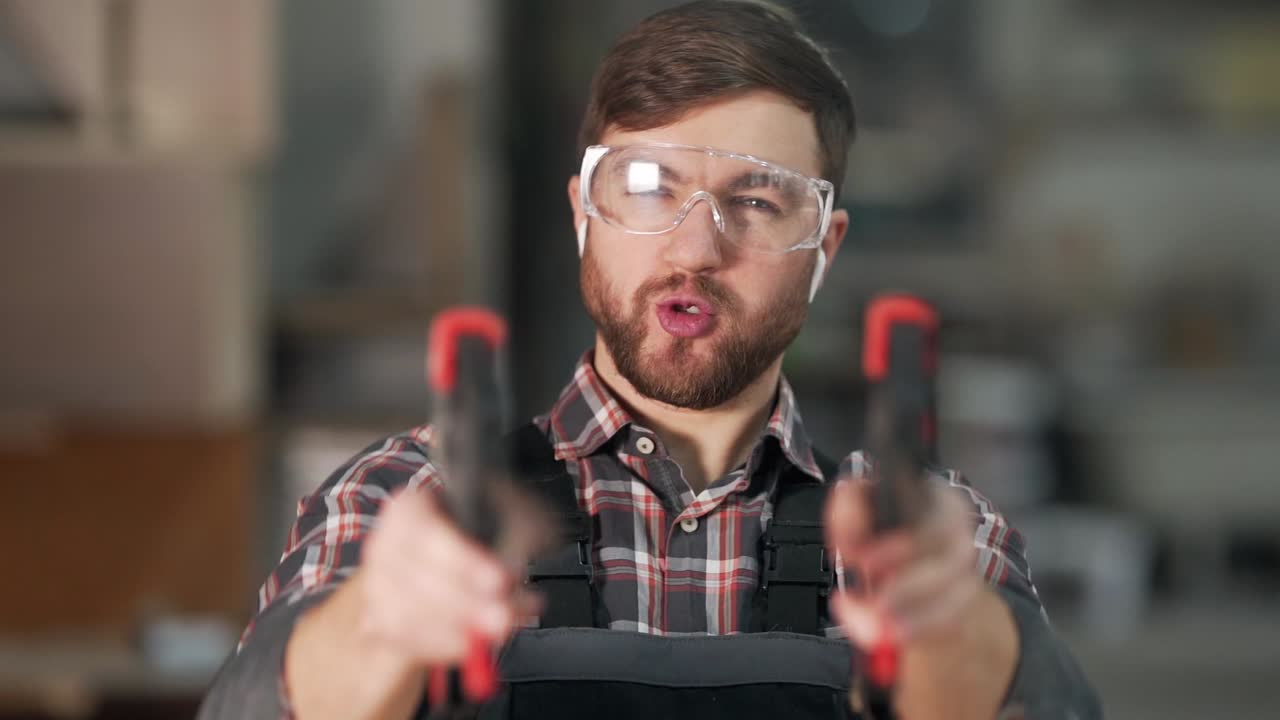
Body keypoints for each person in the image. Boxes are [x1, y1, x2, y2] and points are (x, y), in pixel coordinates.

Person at [199, 2, 1098, 718]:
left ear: (824, 248)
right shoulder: (409, 500)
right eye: (644, 187)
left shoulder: (930, 535)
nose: (694, 250)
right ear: (583, 214)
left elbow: (1047, 702)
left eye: (756, 199)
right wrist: (379, 626)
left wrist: (957, 639)